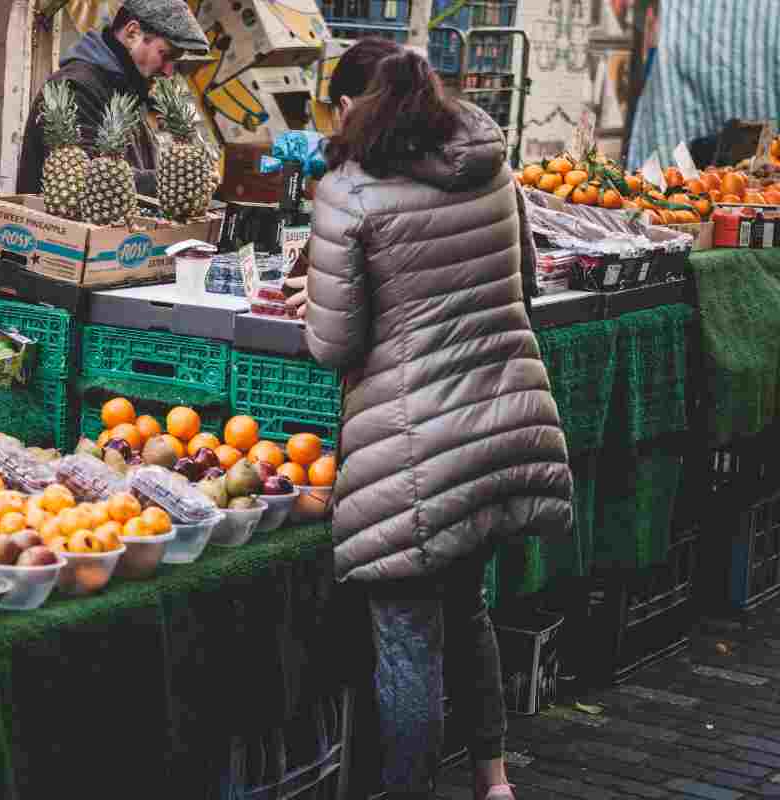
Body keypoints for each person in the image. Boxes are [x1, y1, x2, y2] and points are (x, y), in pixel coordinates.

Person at [288, 41, 574, 800]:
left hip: (414, 446)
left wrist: (319, 302)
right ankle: (493, 780)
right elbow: (526, 284)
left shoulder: (349, 191)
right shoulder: (490, 163)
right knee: (465, 606)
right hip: (500, 422)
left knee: (407, 640)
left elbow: (334, 343)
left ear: (351, 108)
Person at [16, 0, 209, 198]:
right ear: (132, 33)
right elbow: (85, 182)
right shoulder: (76, 87)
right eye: (166, 55)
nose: (169, 72)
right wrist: (174, 180)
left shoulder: (127, 89)